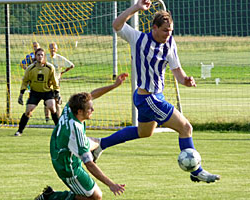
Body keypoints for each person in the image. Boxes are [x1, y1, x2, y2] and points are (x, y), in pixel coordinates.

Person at [92, 0, 220, 183]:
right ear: (154, 28)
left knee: (144, 133)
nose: (168, 34)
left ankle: (100, 145)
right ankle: (196, 170)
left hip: (153, 97)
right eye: (165, 31)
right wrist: (136, 7)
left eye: (171, 31)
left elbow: (177, 71)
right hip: (148, 98)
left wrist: (186, 81)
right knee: (186, 128)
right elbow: (116, 24)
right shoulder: (138, 38)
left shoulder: (170, 44)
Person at [34, 73, 128, 200]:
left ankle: (96, 148)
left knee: (95, 142)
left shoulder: (70, 106)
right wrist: (111, 184)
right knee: (96, 197)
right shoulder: (76, 132)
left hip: (58, 145)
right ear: (80, 112)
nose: (93, 110)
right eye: (90, 109)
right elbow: (89, 165)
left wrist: (114, 85)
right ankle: (51, 197)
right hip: (68, 166)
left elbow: (92, 95)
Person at [15, 48, 60, 136]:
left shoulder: (50, 67)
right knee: (28, 111)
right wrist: (21, 94)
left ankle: (59, 130)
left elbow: (55, 82)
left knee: (52, 107)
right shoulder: (30, 68)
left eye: (41, 55)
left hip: (47, 92)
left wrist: (57, 93)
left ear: (44, 57)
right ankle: (19, 131)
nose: (40, 57)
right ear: (35, 56)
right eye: (38, 55)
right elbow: (25, 81)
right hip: (35, 92)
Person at [44, 42, 75, 122]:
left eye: (54, 48)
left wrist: (62, 72)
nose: (52, 50)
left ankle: (58, 119)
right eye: (51, 48)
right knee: (47, 101)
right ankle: (47, 119)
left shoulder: (60, 58)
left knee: (57, 100)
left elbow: (71, 65)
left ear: (56, 49)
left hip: (56, 83)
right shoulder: (45, 57)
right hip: (46, 83)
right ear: (48, 49)